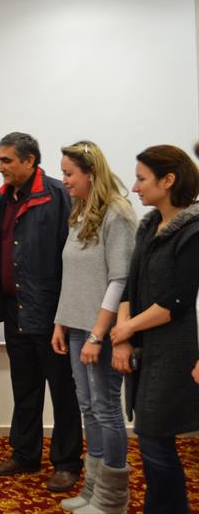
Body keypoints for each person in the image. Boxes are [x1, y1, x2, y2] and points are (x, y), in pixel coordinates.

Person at [0, 132, 83, 492]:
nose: (0, 167)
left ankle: (67, 462)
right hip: (15, 310)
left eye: (6, 160)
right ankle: (25, 454)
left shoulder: (57, 196)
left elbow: (75, 259)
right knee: (24, 386)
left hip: (51, 313)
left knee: (63, 390)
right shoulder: (1, 198)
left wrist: (66, 314)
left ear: (29, 161)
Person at [109, 144, 199, 514]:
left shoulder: (192, 230)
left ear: (168, 180)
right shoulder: (148, 226)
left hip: (173, 351)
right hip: (144, 347)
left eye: (141, 179)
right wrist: (123, 336)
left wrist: (126, 329)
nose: (134, 187)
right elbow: (131, 287)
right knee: (150, 440)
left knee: (155, 440)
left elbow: (177, 300)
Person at [50, 141, 136, 513]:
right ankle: (93, 490)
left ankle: (112, 499)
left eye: (69, 173)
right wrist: (61, 321)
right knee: (87, 407)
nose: (64, 180)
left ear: (91, 173)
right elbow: (72, 275)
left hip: (101, 331)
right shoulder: (80, 211)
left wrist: (98, 335)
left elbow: (120, 280)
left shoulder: (118, 213)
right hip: (76, 326)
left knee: (106, 408)